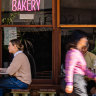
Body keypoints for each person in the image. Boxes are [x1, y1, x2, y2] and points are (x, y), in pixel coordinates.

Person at [64, 30, 96, 96]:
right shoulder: (73, 52)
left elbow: (84, 69)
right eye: (84, 38)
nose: (86, 40)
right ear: (79, 40)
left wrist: (93, 76)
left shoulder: (78, 53)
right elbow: (70, 68)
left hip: (79, 81)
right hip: (76, 80)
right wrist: (69, 83)